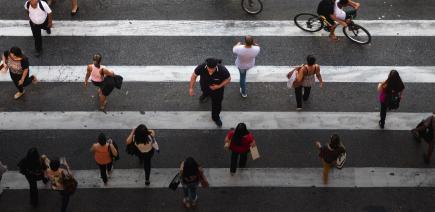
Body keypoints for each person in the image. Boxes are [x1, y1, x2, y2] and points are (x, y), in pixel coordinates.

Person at [189, 58, 231, 127]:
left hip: (217, 91)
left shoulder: (222, 70)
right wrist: (191, 88)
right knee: (205, 92)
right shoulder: (201, 67)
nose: (211, 71)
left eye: (213, 69)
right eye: (209, 68)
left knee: (217, 105)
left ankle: (216, 118)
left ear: (216, 66)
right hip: (205, 87)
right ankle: (205, 95)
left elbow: (228, 79)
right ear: (206, 65)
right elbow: (194, 76)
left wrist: (219, 86)